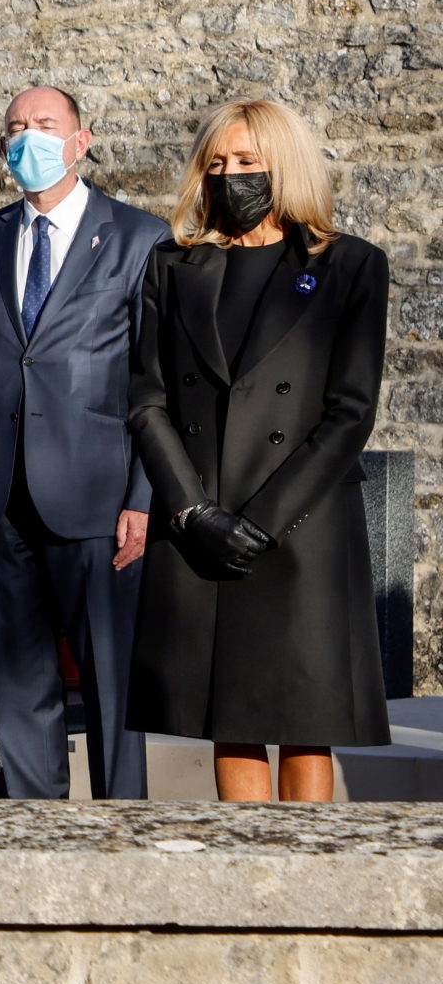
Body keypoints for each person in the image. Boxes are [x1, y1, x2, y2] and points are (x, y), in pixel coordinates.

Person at [128, 98, 391, 803]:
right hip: (202, 524)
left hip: (300, 529)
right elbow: (147, 400)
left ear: (285, 164)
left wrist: (266, 520)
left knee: (308, 722)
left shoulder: (350, 266)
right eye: (216, 163)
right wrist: (192, 512)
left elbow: (349, 412)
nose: (230, 175)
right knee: (229, 720)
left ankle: (309, 892)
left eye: (247, 161)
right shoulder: (173, 264)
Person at [0, 86, 166, 800]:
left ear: (82, 138)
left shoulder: (139, 237)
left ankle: (120, 832)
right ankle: (31, 834)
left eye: (44, 125)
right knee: (18, 683)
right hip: (0, 494)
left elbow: (153, 380)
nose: (27, 138)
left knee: (110, 684)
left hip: (98, 495)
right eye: (15, 127)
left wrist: (143, 495)